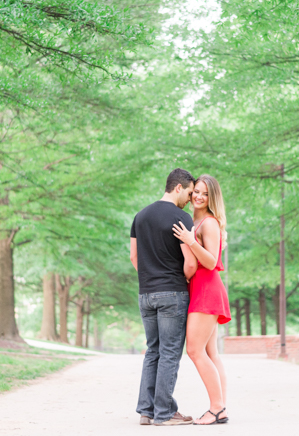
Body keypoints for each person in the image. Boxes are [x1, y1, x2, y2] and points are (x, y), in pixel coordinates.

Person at [130, 168, 197, 426]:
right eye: (190, 192)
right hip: (172, 292)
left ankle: (146, 412)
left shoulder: (140, 216)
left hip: (146, 293)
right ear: (178, 187)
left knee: (153, 351)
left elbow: (134, 258)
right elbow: (190, 264)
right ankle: (165, 413)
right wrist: (177, 280)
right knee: (170, 352)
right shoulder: (182, 218)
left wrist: (151, 278)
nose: (190, 199)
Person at [172, 174, 231, 425]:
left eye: (205, 193)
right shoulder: (195, 220)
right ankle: (221, 407)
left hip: (207, 290)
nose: (198, 196)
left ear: (212, 198)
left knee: (194, 350)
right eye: (196, 191)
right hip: (200, 289)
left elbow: (211, 262)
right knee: (210, 353)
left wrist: (189, 241)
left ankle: (217, 408)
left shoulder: (209, 223)